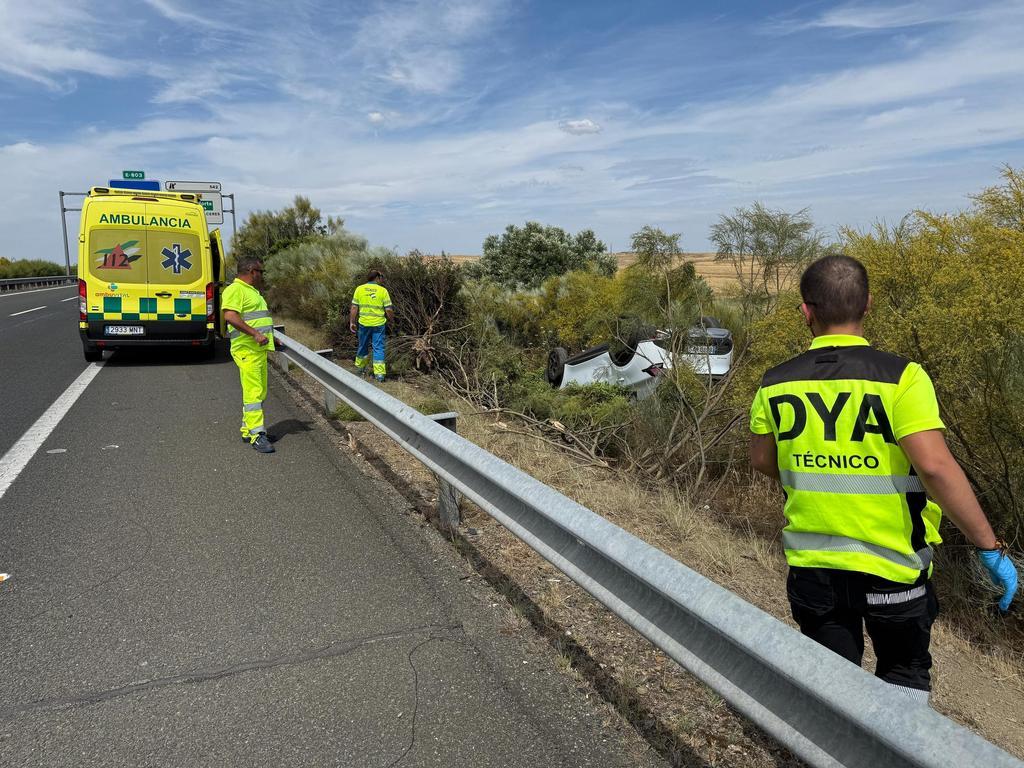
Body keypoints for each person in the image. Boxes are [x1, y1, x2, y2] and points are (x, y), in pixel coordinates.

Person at [749, 254, 1018, 704]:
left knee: (831, 683)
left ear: (806, 311)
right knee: (902, 676)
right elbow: (935, 467)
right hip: (893, 571)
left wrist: (820, 466)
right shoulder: (902, 378)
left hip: (814, 569)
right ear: (868, 304)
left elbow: (761, 459)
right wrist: (989, 546)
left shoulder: (775, 382)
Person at [223, 256, 278, 454]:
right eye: (261, 272)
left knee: (259, 392)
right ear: (252, 271)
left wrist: (271, 337)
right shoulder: (235, 289)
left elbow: (257, 320)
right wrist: (255, 334)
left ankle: (248, 430)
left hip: (257, 350)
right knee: (254, 393)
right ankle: (257, 435)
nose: (262, 275)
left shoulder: (251, 291)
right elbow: (230, 316)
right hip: (247, 349)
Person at [349, 269, 394, 382]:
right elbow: (388, 309)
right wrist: (392, 320)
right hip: (378, 324)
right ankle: (379, 375)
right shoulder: (383, 290)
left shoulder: (359, 289)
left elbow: (354, 307)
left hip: (364, 324)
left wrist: (352, 322)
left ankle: (360, 370)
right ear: (377, 278)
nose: (381, 280)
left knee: (362, 346)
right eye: (381, 277)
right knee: (378, 348)